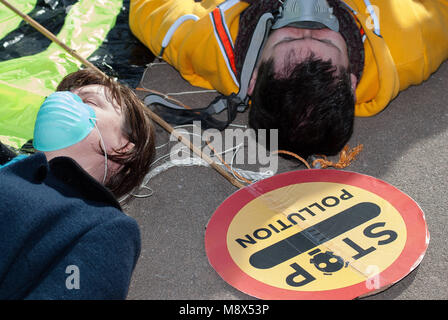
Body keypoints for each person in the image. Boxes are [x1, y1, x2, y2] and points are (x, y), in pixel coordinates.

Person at [129, 0, 448, 159]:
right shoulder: (408, 44)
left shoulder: (213, 42)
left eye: (285, 40)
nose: (307, 21)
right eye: (326, 41)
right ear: (351, 82)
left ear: (252, 79)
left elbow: (148, 9)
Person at [0, 68, 156, 299]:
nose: (61, 100)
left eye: (88, 100)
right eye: (64, 95)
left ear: (123, 148)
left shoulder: (104, 226)